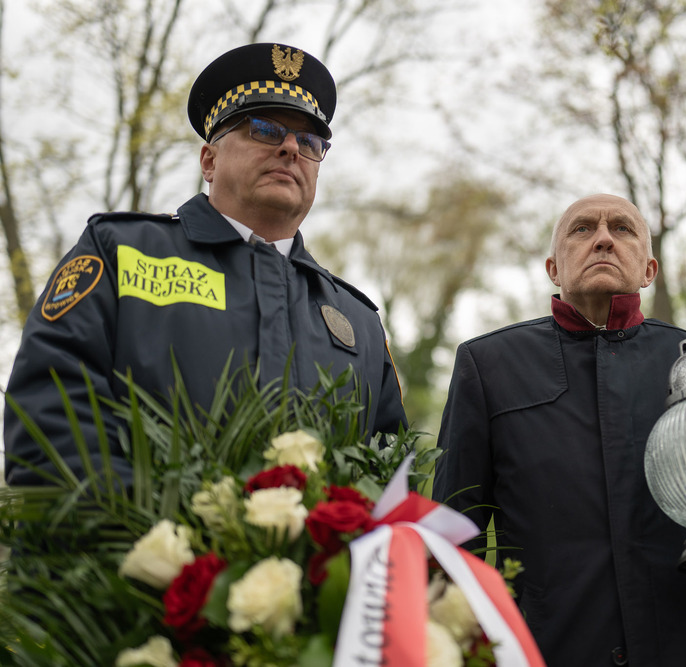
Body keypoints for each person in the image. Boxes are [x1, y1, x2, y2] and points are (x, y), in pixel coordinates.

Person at [4, 43, 407, 486]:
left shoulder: (360, 322)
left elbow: (389, 479)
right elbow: (51, 414)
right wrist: (162, 546)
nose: (292, 147)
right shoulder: (122, 253)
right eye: (265, 129)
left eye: (310, 141)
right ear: (208, 160)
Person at [432, 193, 686, 666]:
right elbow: (455, 535)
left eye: (622, 229)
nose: (602, 239)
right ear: (553, 268)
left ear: (649, 271)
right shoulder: (488, 365)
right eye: (582, 229)